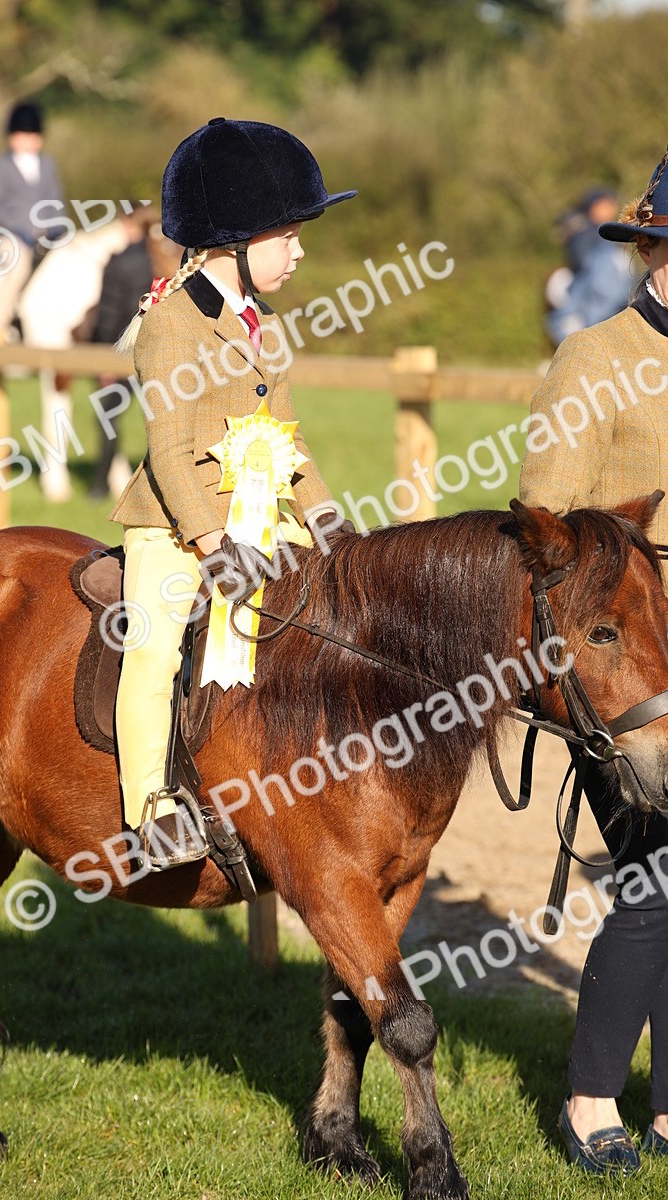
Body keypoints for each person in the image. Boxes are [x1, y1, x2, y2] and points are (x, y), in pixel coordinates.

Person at [109, 117, 356, 868]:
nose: (301, 250)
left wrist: (330, 523)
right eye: (290, 235)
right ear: (237, 242)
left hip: (255, 518)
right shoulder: (170, 327)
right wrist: (214, 545)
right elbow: (170, 452)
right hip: (175, 527)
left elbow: (284, 438)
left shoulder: (267, 326)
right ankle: (149, 812)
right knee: (152, 651)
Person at [520, 146, 668, 1174]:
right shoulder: (591, 359)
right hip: (622, 672)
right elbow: (547, 535)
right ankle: (588, 1100)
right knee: (656, 881)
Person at [89, 206, 176, 500]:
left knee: (108, 417)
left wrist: (104, 356)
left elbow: (109, 314)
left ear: (129, 225)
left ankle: (100, 484)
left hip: (122, 353)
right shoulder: (171, 259)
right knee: (162, 420)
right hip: (163, 353)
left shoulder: (120, 262)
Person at [0, 100, 64, 337]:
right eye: (22, 135)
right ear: (11, 137)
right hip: (10, 236)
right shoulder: (0, 165)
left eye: (32, 135)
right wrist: (20, 229)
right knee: (18, 266)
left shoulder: (47, 165)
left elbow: (55, 200)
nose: (27, 140)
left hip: (45, 237)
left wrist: (57, 228)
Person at [545, 188, 632, 347]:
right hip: (588, 294)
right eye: (607, 204)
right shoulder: (586, 231)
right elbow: (585, 265)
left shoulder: (596, 230)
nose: (613, 208)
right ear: (595, 206)